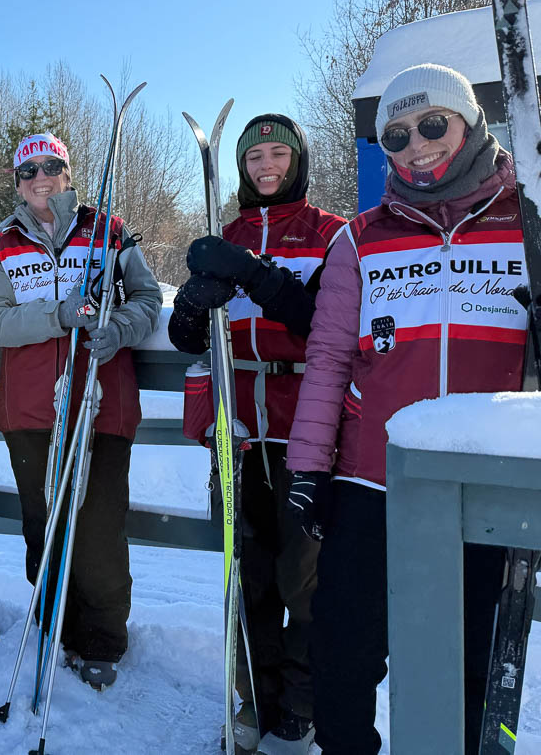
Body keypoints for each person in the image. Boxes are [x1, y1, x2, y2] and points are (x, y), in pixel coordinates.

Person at [285, 64, 522, 755]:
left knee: (475, 665)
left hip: (490, 481)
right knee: (341, 654)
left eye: (430, 125)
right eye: (396, 134)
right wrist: (308, 467)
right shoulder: (362, 237)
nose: (415, 145)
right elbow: (329, 359)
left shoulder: (526, 223)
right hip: (374, 478)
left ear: (470, 123)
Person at [168, 113, 345, 754]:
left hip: (308, 421)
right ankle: (253, 699)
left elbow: (323, 322)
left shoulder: (331, 234)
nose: (266, 166)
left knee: (306, 575)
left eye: (278, 154)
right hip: (238, 421)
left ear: (297, 160)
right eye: (254, 157)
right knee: (249, 573)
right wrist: (192, 303)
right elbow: (187, 338)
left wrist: (252, 274)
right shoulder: (228, 233)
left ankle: (302, 702)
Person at [0, 131, 162, 689]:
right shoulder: (0, 241)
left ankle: (102, 639)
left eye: (50, 166)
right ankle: (60, 626)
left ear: (67, 171)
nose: (39, 178)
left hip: (101, 403)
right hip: (31, 408)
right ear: (17, 181)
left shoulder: (110, 229)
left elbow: (147, 299)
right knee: (45, 528)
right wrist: (59, 315)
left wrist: (121, 327)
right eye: (27, 171)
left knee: (100, 527)